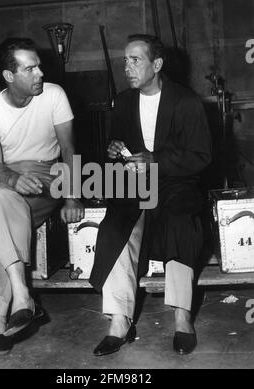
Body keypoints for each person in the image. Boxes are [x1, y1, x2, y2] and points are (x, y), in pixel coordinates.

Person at [89, 34, 212, 356]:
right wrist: (114, 149)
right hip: (135, 186)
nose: (127, 67)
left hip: (176, 184)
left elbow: (201, 156)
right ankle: (119, 321)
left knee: (181, 225)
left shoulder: (186, 101)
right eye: (125, 61)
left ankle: (183, 318)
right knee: (115, 228)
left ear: (156, 65)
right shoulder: (124, 101)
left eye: (135, 60)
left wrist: (156, 160)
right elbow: (117, 142)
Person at [0, 37, 84, 355]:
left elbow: (68, 150)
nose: (40, 73)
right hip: (6, 178)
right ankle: (21, 295)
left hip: (50, 176)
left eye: (39, 66)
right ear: (9, 76)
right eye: (30, 68)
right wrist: (13, 179)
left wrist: (72, 196)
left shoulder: (54, 96)